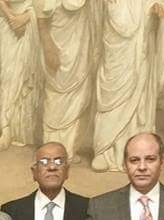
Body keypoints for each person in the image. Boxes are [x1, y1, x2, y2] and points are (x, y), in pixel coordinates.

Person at [91, 0, 164, 172]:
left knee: (138, 93)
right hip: (115, 40)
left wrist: (158, 6)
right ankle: (105, 149)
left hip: (142, 42)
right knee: (111, 93)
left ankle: (136, 150)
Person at [36, 0, 96, 160]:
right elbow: (40, 12)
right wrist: (47, 44)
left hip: (81, 44)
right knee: (56, 94)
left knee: (80, 96)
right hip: (58, 39)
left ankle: (69, 148)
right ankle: (53, 148)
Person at [0, 0, 42, 150]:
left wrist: (27, 16)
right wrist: (12, 18)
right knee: (9, 77)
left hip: (36, 19)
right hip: (8, 20)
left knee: (29, 75)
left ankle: (26, 130)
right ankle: (6, 128)